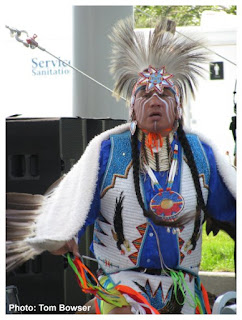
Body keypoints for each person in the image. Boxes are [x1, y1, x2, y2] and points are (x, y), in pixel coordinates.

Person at [7, 17, 236, 314]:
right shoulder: (107, 151)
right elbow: (74, 207)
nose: (156, 100)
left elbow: (230, 210)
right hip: (122, 290)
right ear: (131, 106)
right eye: (145, 93)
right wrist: (61, 234)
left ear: (179, 106)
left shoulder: (201, 153)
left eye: (165, 93)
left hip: (184, 291)